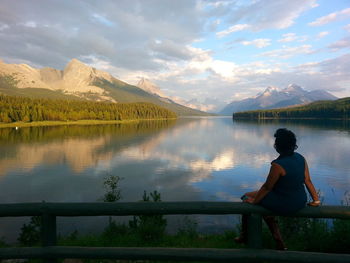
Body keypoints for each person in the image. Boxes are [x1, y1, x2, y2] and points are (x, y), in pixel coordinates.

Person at [235, 128, 320, 250]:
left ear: (277, 146)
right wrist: (316, 200)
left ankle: (245, 235)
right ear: (293, 145)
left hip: (285, 203)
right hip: (300, 201)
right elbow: (307, 180)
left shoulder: (278, 166)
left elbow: (267, 187)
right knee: (259, 200)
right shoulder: (301, 158)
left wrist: (254, 202)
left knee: (246, 197)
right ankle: (278, 240)